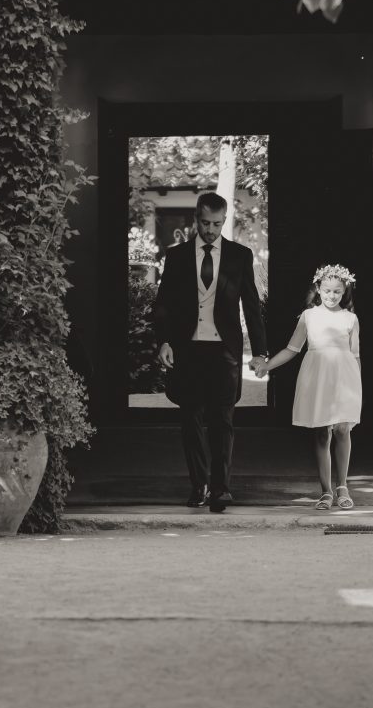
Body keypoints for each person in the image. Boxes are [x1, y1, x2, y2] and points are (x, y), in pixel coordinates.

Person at [152, 192, 268, 512]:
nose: (211, 230)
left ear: (224, 220)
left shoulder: (239, 255)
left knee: (223, 421)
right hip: (187, 349)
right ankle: (198, 484)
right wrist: (164, 341)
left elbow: (252, 306)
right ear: (195, 219)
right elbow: (163, 305)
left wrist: (260, 352)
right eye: (205, 223)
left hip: (224, 351)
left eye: (217, 224)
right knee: (190, 419)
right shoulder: (176, 256)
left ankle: (220, 489)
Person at [258, 264, 361, 510]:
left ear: (344, 291)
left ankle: (342, 486)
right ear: (318, 289)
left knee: (343, 429)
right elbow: (291, 349)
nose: (332, 296)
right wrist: (267, 366)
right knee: (322, 431)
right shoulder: (309, 316)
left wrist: (359, 389)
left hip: (345, 377)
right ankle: (326, 490)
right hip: (318, 376)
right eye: (327, 291)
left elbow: (356, 355)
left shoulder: (350, 318)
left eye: (337, 291)